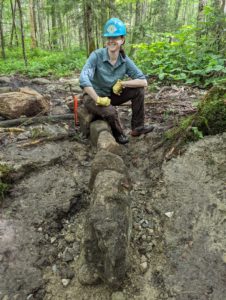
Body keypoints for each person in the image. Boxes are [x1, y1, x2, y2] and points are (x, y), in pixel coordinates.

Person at [79, 18, 154, 144]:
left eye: (115, 37)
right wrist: (97, 98)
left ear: (122, 40)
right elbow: (83, 78)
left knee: (138, 90)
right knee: (110, 112)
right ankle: (118, 133)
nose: (111, 41)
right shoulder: (96, 56)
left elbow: (143, 81)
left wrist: (123, 83)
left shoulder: (124, 60)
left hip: (111, 95)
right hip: (93, 97)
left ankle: (137, 127)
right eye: (109, 38)